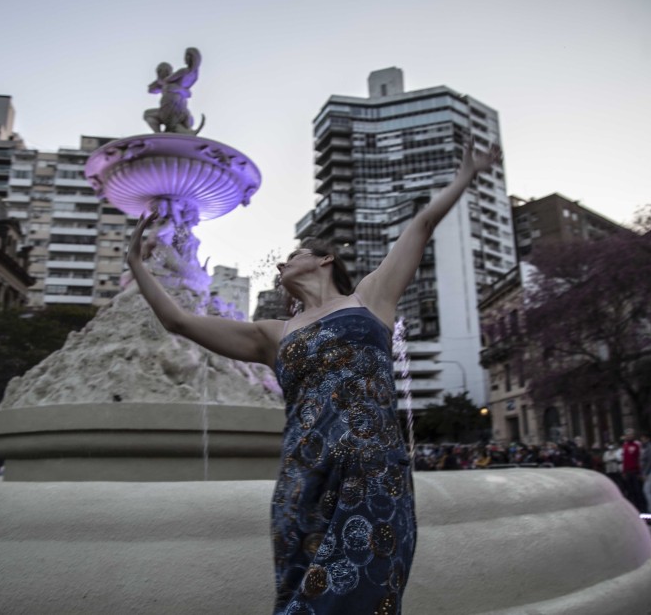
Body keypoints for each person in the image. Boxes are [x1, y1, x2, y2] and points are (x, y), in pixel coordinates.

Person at [127, 137, 502, 613]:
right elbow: (178, 322)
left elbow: (422, 224)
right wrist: (138, 266)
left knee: (364, 588)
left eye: (295, 253)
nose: (283, 261)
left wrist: (466, 175)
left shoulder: (370, 298)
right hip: (303, 476)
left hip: (372, 471)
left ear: (325, 260)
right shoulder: (271, 333)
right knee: (298, 591)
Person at [621, 429, 643, 512]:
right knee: (630, 490)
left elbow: (639, 458)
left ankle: (640, 507)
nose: (629, 436)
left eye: (631, 435)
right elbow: (625, 459)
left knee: (637, 490)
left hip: (635, 470)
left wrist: (639, 471)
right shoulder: (625, 445)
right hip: (627, 471)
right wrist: (624, 471)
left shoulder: (637, 444)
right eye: (627, 435)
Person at [639, 432, 651, 515]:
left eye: (643, 438)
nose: (642, 440)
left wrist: (645, 473)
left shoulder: (650, 448)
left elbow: (650, 461)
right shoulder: (646, 447)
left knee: (647, 490)